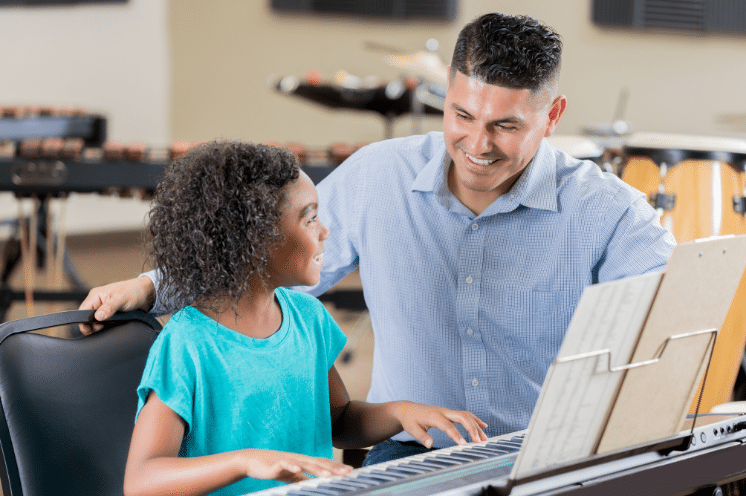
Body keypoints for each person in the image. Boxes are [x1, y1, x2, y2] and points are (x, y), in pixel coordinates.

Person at [83, 13, 676, 468]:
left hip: (541, 458)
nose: (478, 143)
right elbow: (255, 258)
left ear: (552, 117)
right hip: (410, 453)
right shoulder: (379, 174)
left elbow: (671, 319)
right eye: (462, 115)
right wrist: (148, 285)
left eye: (506, 125)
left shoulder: (606, 209)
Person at [121, 140, 487, 496]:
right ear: (256, 239)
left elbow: (339, 421)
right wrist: (245, 461)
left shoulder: (307, 318)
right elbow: (142, 479)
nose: (326, 231)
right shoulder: (189, 344)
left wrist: (400, 413)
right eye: (311, 218)